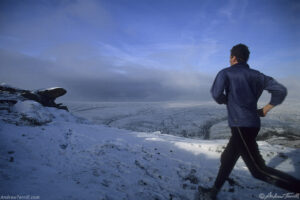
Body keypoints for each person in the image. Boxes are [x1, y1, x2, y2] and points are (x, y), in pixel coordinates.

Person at [200, 44, 300, 200]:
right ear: (245, 58)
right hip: (253, 124)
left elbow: (216, 94)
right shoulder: (257, 75)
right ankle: (213, 193)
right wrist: (266, 108)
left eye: (230, 57)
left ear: (233, 57)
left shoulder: (226, 73)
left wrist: (228, 101)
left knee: (258, 171)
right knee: (227, 158)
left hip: (241, 125)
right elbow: (280, 90)